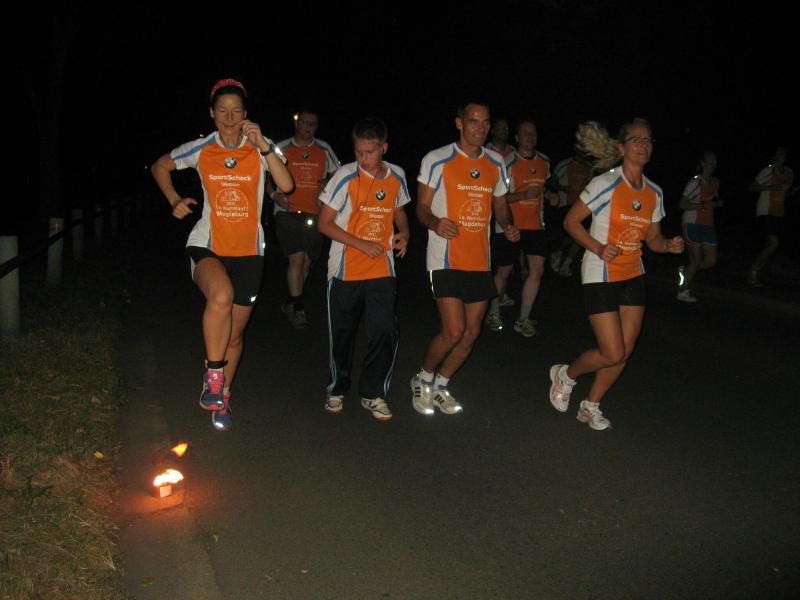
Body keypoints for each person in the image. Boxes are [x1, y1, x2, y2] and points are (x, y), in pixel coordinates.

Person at [151, 78, 292, 431]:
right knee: (221, 296)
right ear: (212, 114)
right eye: (223, 111)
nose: (229, 118)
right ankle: (213, 375)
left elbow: (287, 185)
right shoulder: (201, 148)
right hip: (208, 244)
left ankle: (224, 394)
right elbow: (160, 166)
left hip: (249, 252)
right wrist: (173, 199)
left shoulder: (261, 147)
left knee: (234, 336)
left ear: (246, 115)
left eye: (236, 111)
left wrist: (263, 146)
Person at [548, 118, 684, 430]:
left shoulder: (654, 192)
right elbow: (571, 221)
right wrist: (598, 247)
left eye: (648, 140)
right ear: (621, 148)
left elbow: (653, 239)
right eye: (636, 140)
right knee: (612, 351)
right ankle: (566, 375)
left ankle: (591, 404)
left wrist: (668, 245)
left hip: (633, 273)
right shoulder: (604, 183)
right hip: (601, 272)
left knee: (626, 349)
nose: (643, 145)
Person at [412, 102, 519, 415]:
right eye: (473, 121)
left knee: (472, 332)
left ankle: (442, 385)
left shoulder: (496, 162)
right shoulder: (437, 159)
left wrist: (508, 225)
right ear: (459, 123)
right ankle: (423, 378)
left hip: (479, 259)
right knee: (454, 330)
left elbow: (500, 205)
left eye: (485, 122)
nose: (480, 128)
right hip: (445, 257)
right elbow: (421, 208)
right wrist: (436, 223)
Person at [317, 118, 410, 420]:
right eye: (358, 152)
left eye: (369, 152)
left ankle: (373, 393)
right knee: (342, 335)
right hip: (344, 270)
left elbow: (398, 209)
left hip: (382, 267)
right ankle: (337, 388)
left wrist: (404, 232)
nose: (363, 158)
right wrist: (360, 244)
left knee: (384, 331)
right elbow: (324, 223)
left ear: (384, 148)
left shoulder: (397, 175)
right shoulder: (345, 176)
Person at [485, 119, 557, 337]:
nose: (530, 137)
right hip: (509, 225)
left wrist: (550, 195)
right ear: (517, 138)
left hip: (536, 225)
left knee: (537, 270)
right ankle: (494, 312)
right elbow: (497, 198)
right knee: (504, 271)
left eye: (533, 133)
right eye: (525, 133)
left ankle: (523, 319)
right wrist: (523, 195)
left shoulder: (545, 161)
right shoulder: (506, 162)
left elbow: (544, 188)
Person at [268, 110, 340, 328]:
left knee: (307, 262)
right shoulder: (281, 147)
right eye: (304, 123)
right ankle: (298, 308)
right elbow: (265, 176)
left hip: (315, 212)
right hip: (287, 211)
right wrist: (274, 195)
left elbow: (337, 174)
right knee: (297, 259)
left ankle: (291, 300)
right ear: (297, 124)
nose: (308, 127)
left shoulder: (324, 149)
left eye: (312, 124)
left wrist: (327, 185)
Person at [677, 151, 721, 302]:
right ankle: (683, 291)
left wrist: (717, 204)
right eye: (710, 161)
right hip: (692, 223)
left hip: (708, 224)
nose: (713, 164)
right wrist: (703, 205)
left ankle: (686, 271)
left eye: (715, 161)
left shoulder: (715, 182)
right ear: (703, 163)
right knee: (696, 261)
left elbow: (713, 200)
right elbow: (682, 204)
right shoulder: (695, 182)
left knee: (711, 261)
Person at [748, 147, 794, 287]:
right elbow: (752, 187)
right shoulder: (768, 171)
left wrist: (792, 192)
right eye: (778, 153)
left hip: (778, 212)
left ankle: (755, 274)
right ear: (774, 156)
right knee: (774, 243)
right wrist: (769, 188)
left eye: (783, 153)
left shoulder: (789, 172)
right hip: (765, 210)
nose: (781, 156)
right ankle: (754, 270)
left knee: (770, 245)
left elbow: (783, 193)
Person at [550, 149, 593, 277]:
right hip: (566, 204)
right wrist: (563, 188)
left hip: (582, 207)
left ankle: (566, 263)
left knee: (582, 234)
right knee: (569, 235)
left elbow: (592, 184)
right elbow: (552, 181)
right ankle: (558, 253)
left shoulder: (589, 167)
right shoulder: (564, 164)